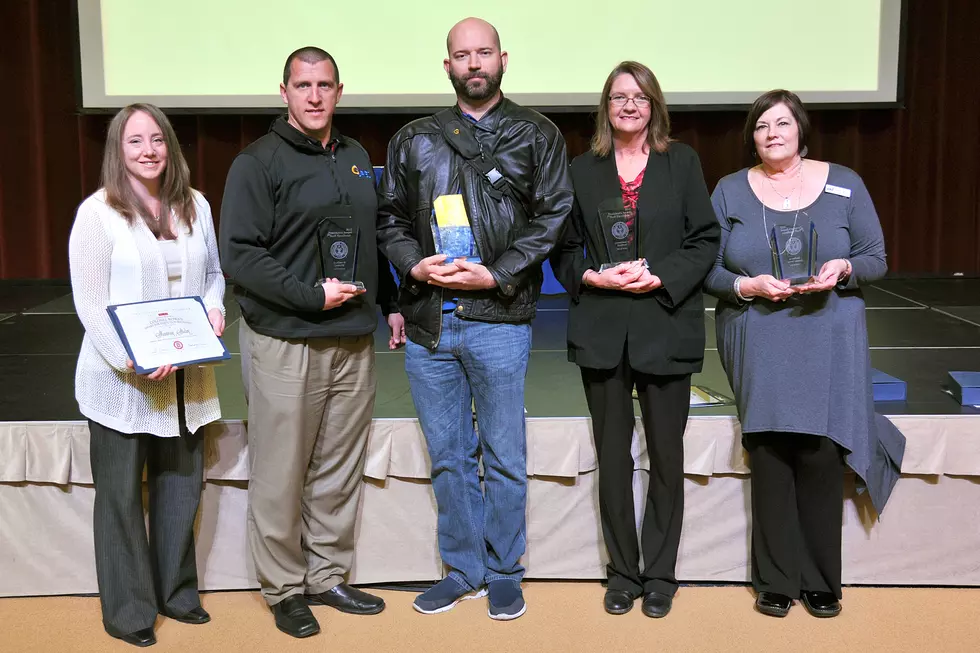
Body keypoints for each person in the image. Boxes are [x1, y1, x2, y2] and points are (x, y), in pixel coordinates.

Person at [376, 17, 572, 621]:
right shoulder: (414, 138)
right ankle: (464, 569)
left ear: (503, 59)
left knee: (504, 454)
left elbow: (552, 215)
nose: (474, 63)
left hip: (501, 317)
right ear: (448, 67)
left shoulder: (537, 133)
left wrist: (498, 273)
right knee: (449, 456)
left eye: (483, 52)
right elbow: (390, 221)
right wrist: (417, 268)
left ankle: (505, 571)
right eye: (462, 56)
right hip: (430, 322)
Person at [218, 46, 402, 639]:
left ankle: (327, 575)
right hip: (285, 338)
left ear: (339, 91)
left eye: (325, 85)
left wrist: (392, 305)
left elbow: (372, 242)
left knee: (337, 467)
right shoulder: (257, 162)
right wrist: (307, 295)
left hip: (352, 338)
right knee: (280, 471)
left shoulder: (353, 157)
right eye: (304, 85)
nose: (315, 96)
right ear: (284, 92)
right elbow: (240, 256)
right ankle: (283, 588)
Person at [703, 89, 905, 619]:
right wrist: (747, 288)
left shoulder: (844, 184)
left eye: (782, 123)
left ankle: (820, 580)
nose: (772, 132)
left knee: (819, 455)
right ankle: (774, 579)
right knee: (770, 455)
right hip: (759, 334)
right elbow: (708, 269)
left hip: (827, 333)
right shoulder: (728, 191)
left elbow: (876, 258)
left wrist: (842, 271)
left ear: (801, 131)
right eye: (762, 125)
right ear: (752, 137)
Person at [550, 61, 720, 618]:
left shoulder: (683, 162)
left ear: (654, 106)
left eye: (640, 97)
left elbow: (704, 239)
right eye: (619, 96)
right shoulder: (581, 170)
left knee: (667, 460)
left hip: (665, 324)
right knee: (614, 460)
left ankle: (661, 574)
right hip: (603, 329)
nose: (629, 105)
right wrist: (591, 275)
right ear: (606, 106)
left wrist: (661, 276)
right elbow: (565, 248)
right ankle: (622, 572)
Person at [68, 103, 225, 647]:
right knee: (119, 497)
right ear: (119, 149)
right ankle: (129, 611)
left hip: (187, 375)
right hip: (122, 382)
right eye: (136, 141)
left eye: (157, 139)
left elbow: (213, 278)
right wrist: (129, 358)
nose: (149, 150)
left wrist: (215, 311)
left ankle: (177, 593)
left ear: (171, 145)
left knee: (181, 487)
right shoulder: (97, 214)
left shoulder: (195, 204)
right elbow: (89, 304)